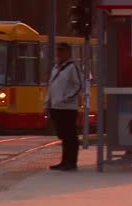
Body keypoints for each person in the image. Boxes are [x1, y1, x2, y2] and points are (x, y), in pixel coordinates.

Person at [44, 42, 83, 171]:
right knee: (63, 135)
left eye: (61, 50)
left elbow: (79, 85)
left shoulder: (72, 67)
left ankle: (71, 162)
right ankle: (64, 161)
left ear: (68, 52)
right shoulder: (55, 68)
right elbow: (51, 87)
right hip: (56, 107)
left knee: (70, 135)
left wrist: (68, 97)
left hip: (68, 108)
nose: (59, 53)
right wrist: (47, 103)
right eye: (58, 50)